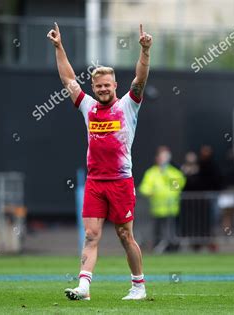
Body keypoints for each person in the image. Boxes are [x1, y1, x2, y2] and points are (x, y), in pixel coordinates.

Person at [47, 22, 152, 300]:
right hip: (95, 182)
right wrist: (59, 47)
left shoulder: (127, 105)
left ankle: (138, 286)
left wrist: (145, 51)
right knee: (91, 236)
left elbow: (139, 80)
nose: (103, 89)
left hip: (120, 181)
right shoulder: (88, 106)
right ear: (93, 87)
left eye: (107, 85)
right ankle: (84, 287)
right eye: (98, 86)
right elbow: (68, 80)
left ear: (115, 85)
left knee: (124, 236)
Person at [139, 146, 186, 253]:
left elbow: (177, 188)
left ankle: (173, 248)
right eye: (161, 157)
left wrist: (165, 174)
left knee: (171, 231)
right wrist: (149, 192)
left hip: (171, 209)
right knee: (157, 231)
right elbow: (144, 187)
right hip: (157, 208)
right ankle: (157, 248)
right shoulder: (151, 173)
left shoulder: (174, 172)